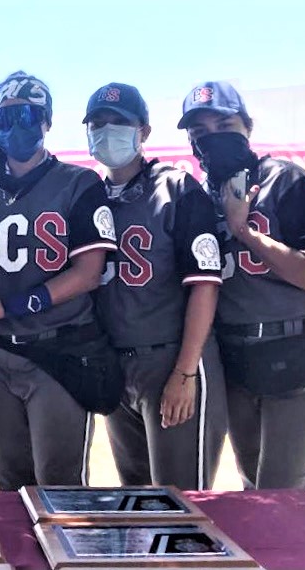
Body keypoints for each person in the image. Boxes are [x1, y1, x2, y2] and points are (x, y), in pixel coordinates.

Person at [0, 71, 121, 491]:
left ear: (46, 121)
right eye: (6, 117)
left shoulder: (79, 183)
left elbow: (89, 272)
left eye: (28, 115)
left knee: (60, 484)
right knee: (8, 480)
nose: (17, 125)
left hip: (57, 347)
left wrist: (12, 306)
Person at [177, 80, 305, 489]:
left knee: (283, 491)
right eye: (200, 132)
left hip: (300, 348)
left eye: (224, 124)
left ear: (248, 126)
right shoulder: (199, 197)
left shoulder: (288, 182)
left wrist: (244, 231)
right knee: (252, 486)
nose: (212, 137)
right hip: (237, 358)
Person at [84, 83, 227, 490]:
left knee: (182, 502)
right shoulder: (88, 194)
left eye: (119, 122)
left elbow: (205, 285)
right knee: (137, 497)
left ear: (143, 131)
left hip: (169, 358)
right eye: (97, 123)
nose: (106, 130)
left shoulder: (178, 188)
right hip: (116, 363)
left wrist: (184, 373)